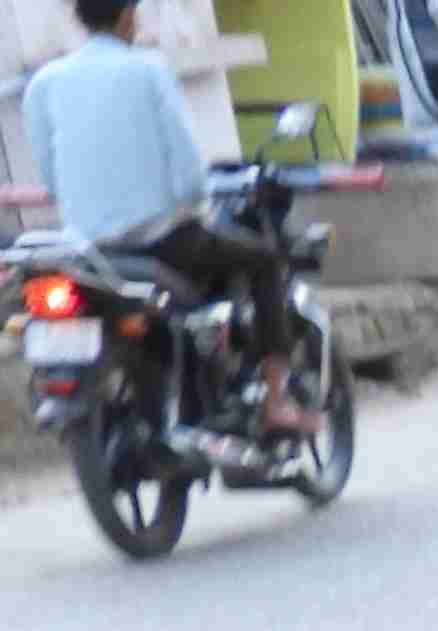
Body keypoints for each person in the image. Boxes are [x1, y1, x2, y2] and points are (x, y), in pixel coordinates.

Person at [17, 0, 315, 435]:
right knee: (264, 259)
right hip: (162, 242)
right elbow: (190, 174)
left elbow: (50, 175)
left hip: (90, 250)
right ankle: (276, 400)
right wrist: (197, 204)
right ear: (127, 17)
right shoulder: (149, 70)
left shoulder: (43, 84)